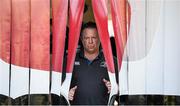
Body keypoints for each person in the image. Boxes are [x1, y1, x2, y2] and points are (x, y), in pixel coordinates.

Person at [68, 22, 117, 105]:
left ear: (100, 38)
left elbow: (123, 91)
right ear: (81, 39)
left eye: (93, 37)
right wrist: (66, 93)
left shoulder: (112, 61)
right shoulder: (70, 61)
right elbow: (58, 89)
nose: (90, 41)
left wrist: (115, 89)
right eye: (87, 38)